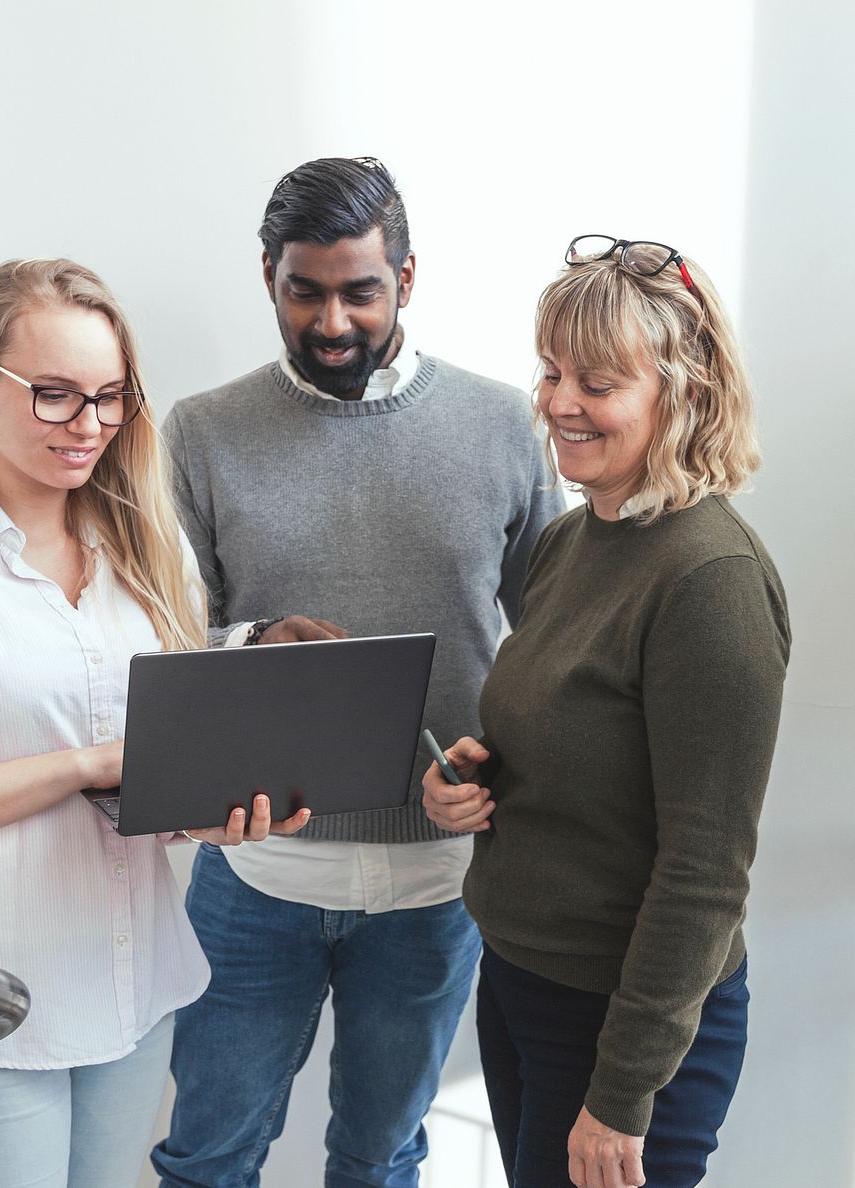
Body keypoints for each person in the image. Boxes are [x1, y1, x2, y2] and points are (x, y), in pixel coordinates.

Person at [0, 258, 308, 1188]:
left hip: (132, 986)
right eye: (53, 395)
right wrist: (79, 764)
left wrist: (223, 813)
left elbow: (156, 785)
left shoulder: (148, 554)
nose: (87, 426)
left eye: (110, 397)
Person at [151, 158, 566, 1187]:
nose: (332, 320)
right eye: (306, 290)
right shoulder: (200, 434)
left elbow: (556, 640)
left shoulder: (507, 426)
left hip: (438, 882)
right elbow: (160, 639)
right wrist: (249, 643)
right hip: (256, 877)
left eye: (360, 291)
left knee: (381, 1163)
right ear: (269, 279)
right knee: (206, 1161)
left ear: (408, 280)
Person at [422, 237, 791, 1188]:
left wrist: (623, 1092)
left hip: (628, 1026)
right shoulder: (573, 536)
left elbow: (706, 869)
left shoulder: (711, 581)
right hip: (522, 981)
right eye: (550, 372)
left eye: (597, 380)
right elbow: (567, 736)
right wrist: (473, 779)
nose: (556, 402)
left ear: (685, 391)